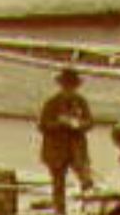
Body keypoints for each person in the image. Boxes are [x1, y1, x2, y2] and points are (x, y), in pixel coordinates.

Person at [38, 68, 95, 215]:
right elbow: (42, 125)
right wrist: (60, 124)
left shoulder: (81, 102)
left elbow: (90, 122)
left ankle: (87, 209)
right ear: (61, 86)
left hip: (77, 150)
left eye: (72, 87)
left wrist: (79, 125)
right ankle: (60, 212)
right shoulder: (51, 103)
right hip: (56, 150)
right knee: (58, 185)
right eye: (66, 86)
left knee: (86, 180)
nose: (69, 89)